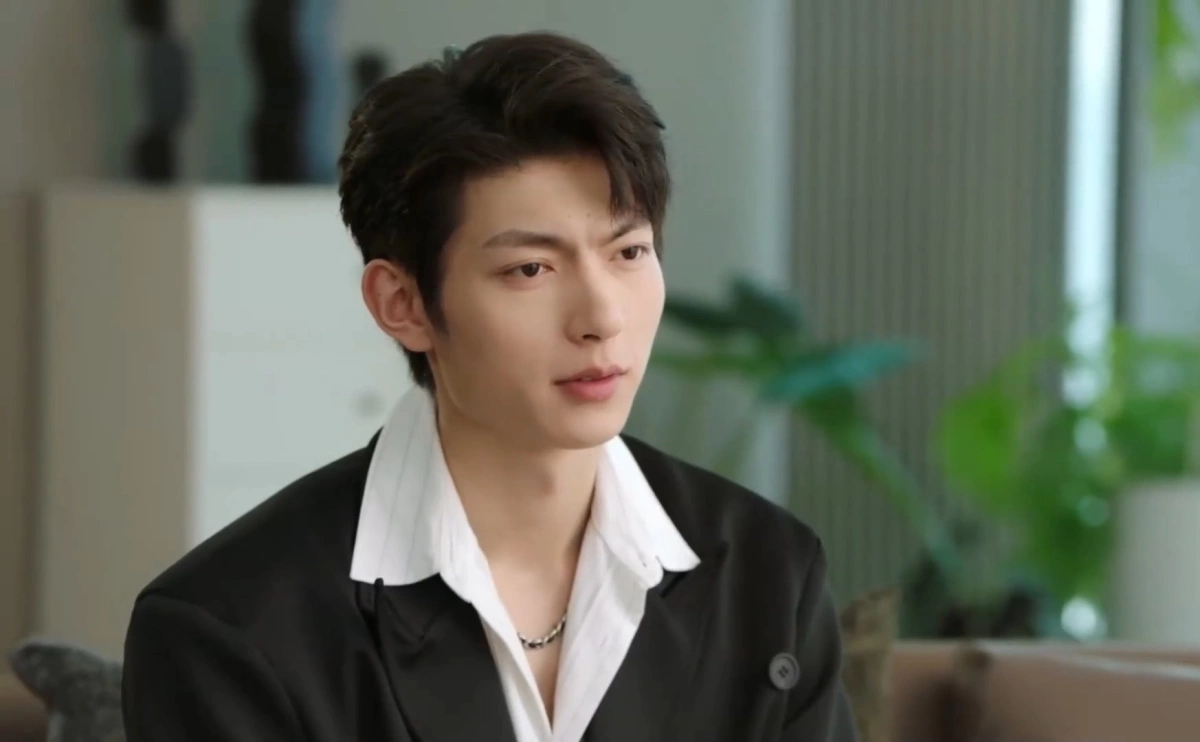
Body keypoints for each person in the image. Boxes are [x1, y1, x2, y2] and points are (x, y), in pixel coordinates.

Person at [121, 31, 857, 742]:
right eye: (530, 269)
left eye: (629, 252)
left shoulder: (768, 576)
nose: (602, 317)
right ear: (403, 304)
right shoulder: (232, 630)